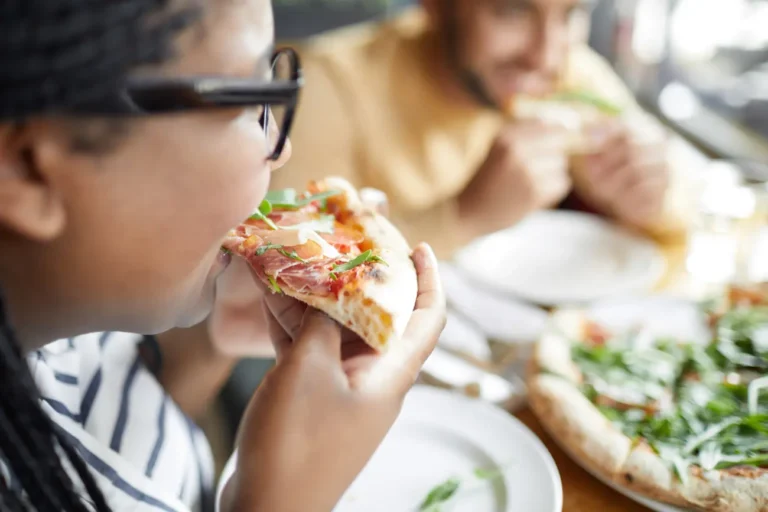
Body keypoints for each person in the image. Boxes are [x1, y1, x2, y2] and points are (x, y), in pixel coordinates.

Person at [0, 1, 446, 511]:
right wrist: (278, 502)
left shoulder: (58, 313)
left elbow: (121, 443)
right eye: (249, 100)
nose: (281, 147)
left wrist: (217, 341)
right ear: (30, 168)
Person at [273, 0, 692, 259]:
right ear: (435, 5)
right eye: (513, 10)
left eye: (571, 12)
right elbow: (274, 277)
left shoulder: (565, 69)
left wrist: (650, 195)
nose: (545, 56)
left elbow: (683, 204)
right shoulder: (324, 89)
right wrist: (463, 216)